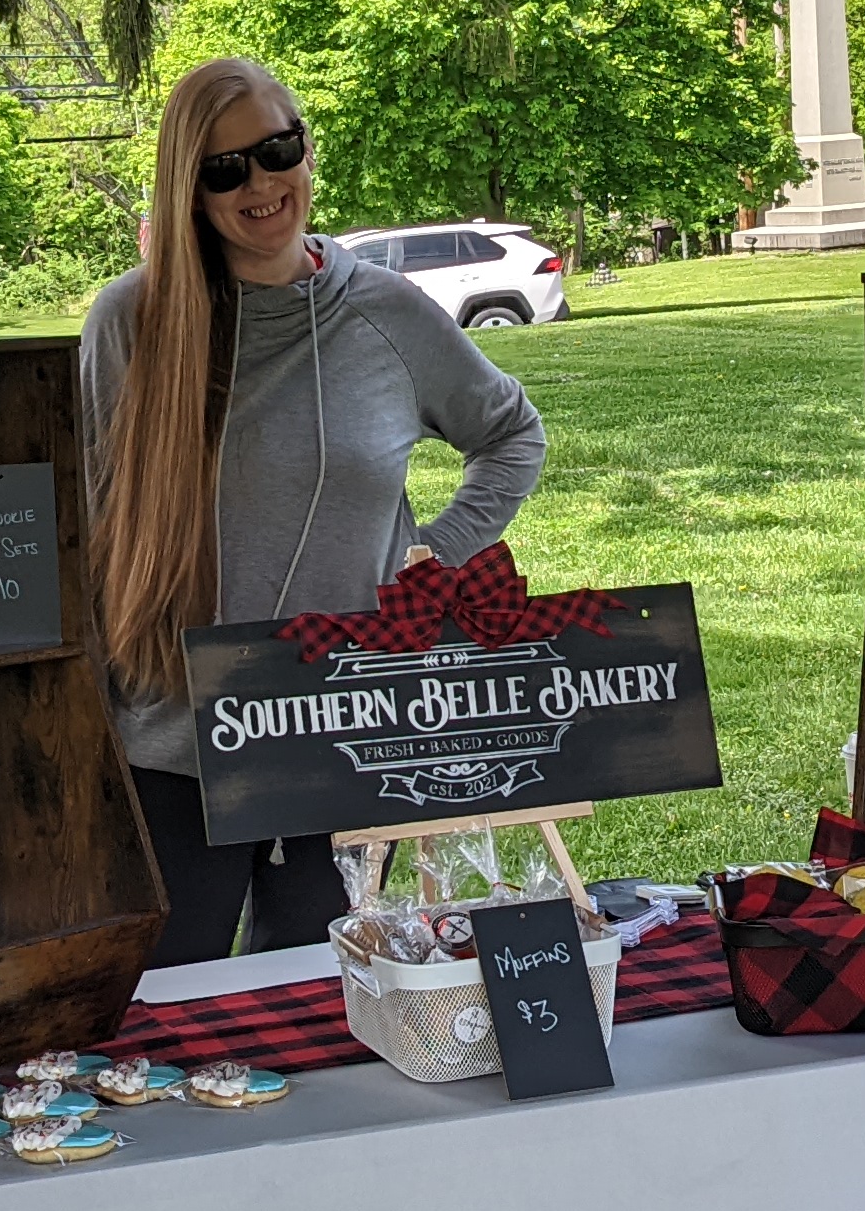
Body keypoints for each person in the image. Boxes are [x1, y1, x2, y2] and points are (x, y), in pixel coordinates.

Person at [82, 57, 546, 967]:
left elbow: (512, 436)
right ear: (191, 191)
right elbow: (99, 528)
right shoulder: (130, 323)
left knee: (330, 1001)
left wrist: (432, 558)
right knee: (168, 1016)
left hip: (346, 732)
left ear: (304, 148)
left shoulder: (387, 313)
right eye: (225, 169)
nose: (260, 184)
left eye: (275, 150)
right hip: (178, 741)